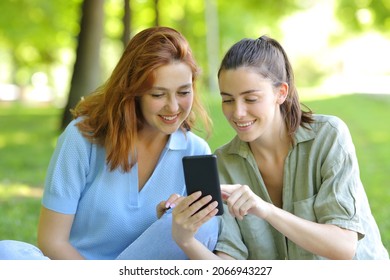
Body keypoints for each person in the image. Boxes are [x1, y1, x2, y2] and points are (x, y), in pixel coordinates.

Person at [0, 26, 218, 260]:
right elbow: (52, 241)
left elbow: (199, 251)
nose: (174, 107)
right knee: (7, 253)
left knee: (205, 221)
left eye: (183, 92)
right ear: (133, 92)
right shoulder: (82, 139)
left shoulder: (195, 151)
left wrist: (169, 222)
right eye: (158, 94)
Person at [170, 35, 389, 260]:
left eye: (251, 99)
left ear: (281, 92)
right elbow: (228, 266)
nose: (237, 112)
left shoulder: (327, 136)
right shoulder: (224, 162)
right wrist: (185, 240)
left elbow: (343, 246)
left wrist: (267, 210)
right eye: (228, 100)